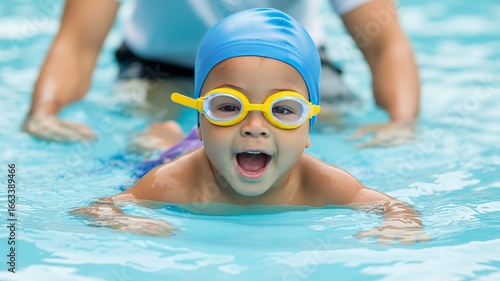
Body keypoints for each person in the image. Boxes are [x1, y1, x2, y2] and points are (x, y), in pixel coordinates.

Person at [73, 8, 429, 244]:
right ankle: (164, 133)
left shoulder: (321, 181)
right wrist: (123, 222)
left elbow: (394, 207)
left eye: (283, 110)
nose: (255, 127)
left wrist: (400, 224)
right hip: (174, 152)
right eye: (228, 107)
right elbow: (96, 207)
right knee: (155, 146)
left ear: (309, 129)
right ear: (201, 118)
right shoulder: (175, 181)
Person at [23, 0, 419, 150]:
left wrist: (400, 122)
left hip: (288, 66)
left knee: (334, 138)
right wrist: (46, 111)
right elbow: (77, 44)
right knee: (149, 143)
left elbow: (387, 45)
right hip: (159, 69)